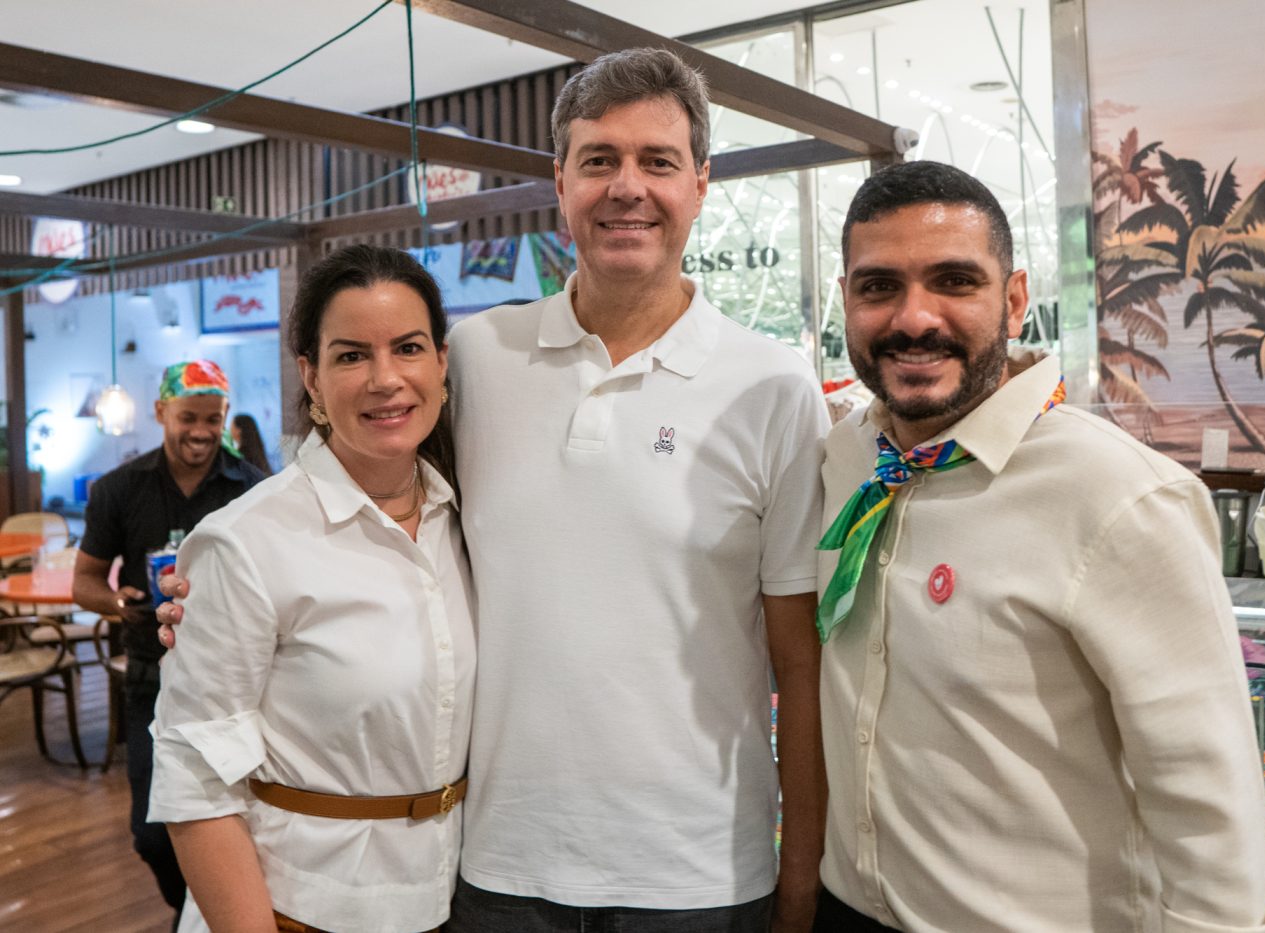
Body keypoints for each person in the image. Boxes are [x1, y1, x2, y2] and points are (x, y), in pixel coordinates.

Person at [160, 47, 827, 932]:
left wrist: (802, 878)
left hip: (700, 872)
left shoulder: (773, 386)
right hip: (498, 865)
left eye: (658, 160)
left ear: (700, 183)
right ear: (561, 182)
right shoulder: (478, 357)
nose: (627, 186)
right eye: (599, 159)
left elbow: (800, 660)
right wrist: (222, 591)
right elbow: (366, 486)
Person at [813, 160, 1265, 932]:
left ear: (1014, 300)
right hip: (848, 911)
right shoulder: (846, 458)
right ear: (846, 301)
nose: (913, 317)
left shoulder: (1121, 495)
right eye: (879, 286)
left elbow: (1208, 799)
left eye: (954, 281)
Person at [147, 244, 474, 932]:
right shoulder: (247, 540)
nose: (386, 378)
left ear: (442, 363)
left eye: (408, 348)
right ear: (312, 377)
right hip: (298, 903)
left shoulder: (468, 519)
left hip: (448, 897)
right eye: (351, 355)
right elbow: (194, 779)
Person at [72, 359, 265, 927]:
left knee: (238, 821)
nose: (201, 432)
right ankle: (197, 913)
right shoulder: (119, 488)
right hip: (150, 679)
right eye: (188, 418)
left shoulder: (254, 489)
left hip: (233, 683)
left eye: (213, 418)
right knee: (152, 834)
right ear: (161, 412)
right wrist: (118, 602)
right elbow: (85, 583)